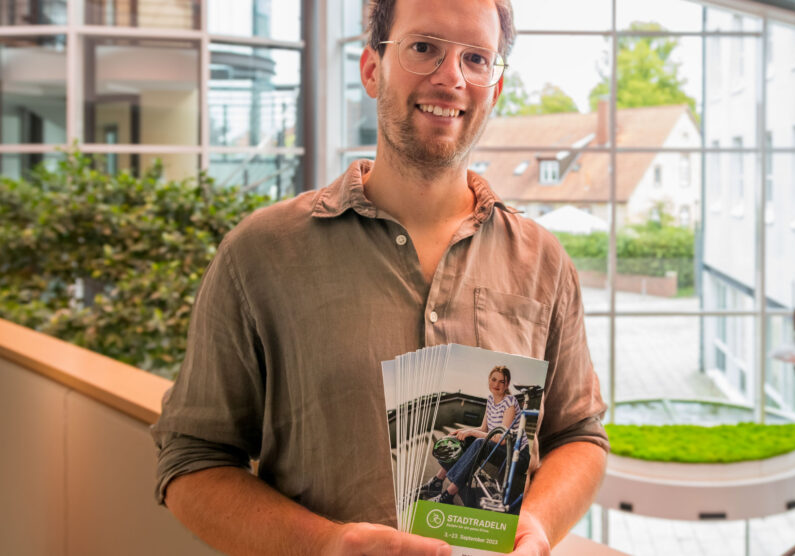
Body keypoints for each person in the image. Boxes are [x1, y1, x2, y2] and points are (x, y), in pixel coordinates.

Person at [151, 0, 609, 554]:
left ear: (496, 87)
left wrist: (538, 526)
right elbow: (192, 459)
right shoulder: (260, 254)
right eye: (424, 49)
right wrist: (324, 545)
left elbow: (578, 436)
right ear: (372, 69)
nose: (451, 78)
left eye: (476, 58)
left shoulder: (544, 261)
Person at [420, 365, 531, 510]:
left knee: (478, 442)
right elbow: (483, 429)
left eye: (501, 382)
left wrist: (471, 433)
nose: (496, 384)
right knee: (466, 439)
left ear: (507, 385)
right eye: (494, 379)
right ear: (489, 380)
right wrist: (462, 431)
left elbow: (502, 439)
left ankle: (448, 495)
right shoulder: (491, 400)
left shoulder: (509, 402)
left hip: (516, 455)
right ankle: (437, 481)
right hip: (499, 447)